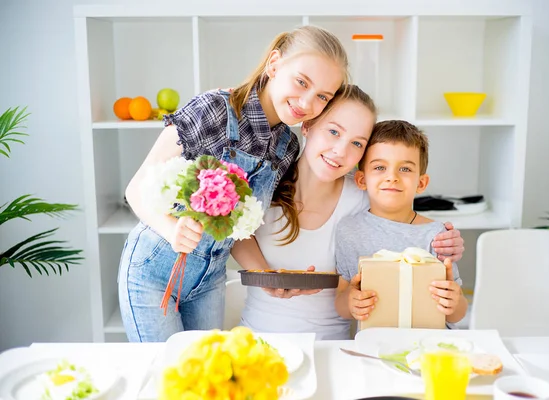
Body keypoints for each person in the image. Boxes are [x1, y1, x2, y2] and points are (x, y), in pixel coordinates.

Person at [118, 25, 350, 342]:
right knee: (168, 380)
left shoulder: (286, 147)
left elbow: (239, 231)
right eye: (301, 82)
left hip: (209, 281)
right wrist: (173, 229)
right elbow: (136, 189)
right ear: (274, 64)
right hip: (153, 273)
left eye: (322, 96)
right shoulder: (213, 109)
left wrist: (267, 276)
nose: (307, 103)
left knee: (206, 378)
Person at [232, 87, 465, 340]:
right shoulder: (265, 181)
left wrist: (447, 241)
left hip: (332, 344)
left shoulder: (364, 194)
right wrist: (265, 276)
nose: (341, 151)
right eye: (333, 132)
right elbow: (233, 234)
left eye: (356, 143)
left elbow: (404, 221)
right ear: (307, 125)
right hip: (255, 336)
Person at [334, 120, 469, 327]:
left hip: (430, 346)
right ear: (361, 179)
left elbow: (457, 313)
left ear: (421, 183)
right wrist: (351, 302)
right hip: (374, 345)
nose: (392, 177)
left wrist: (455, 301)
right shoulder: (349, 231)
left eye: (405, 169)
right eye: (379, 167)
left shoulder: (436, 235)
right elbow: (341, 303)